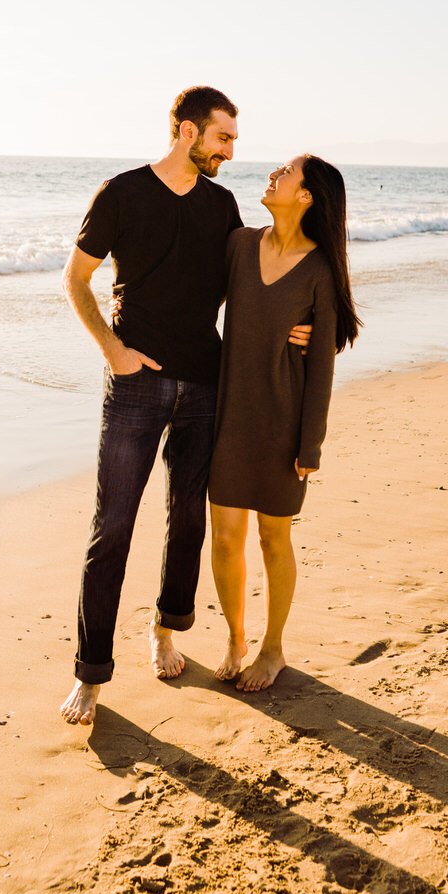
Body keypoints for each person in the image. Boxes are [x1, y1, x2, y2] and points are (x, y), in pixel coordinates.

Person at [58, 86, 309, 726]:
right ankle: (90, 675)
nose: (230, 150)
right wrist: (112, 350)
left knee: (188, 522)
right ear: (186, 132)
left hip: (206, 384)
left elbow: (255, 281)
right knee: (111, 527)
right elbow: (75, 278)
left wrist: (296, 327)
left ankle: (166, 629)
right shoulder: (121, 193)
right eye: (223, 137)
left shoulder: (222, 205)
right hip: (136, 383)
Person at [208, 154, 360, 692]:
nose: (274, 172)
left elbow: (322, 367)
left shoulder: (319, 269)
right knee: (225, 538)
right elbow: (198, 300)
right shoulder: (239, 245)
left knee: (274, 539)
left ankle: (272, 648)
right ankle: (235, 636)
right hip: (229, 416)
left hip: (283, 423)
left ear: (307, 196)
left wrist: (309, 446)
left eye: (287, 171)